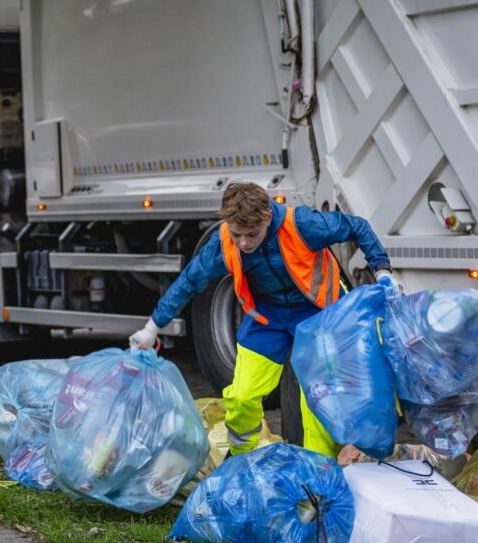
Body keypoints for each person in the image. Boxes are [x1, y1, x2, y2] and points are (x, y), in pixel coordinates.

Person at [129, 182, 401, 458]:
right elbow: (188, 282)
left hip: (318, 314)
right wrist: (151, 328)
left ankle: (321, 470)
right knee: (241, 396)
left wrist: (382, 271)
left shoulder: (303, 225)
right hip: (267, 316)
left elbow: (357, 226)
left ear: (268, 217)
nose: (244, 243)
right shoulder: (223, 241)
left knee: (318, 401)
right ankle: (240, 460)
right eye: (237, 234)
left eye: (252, 234)